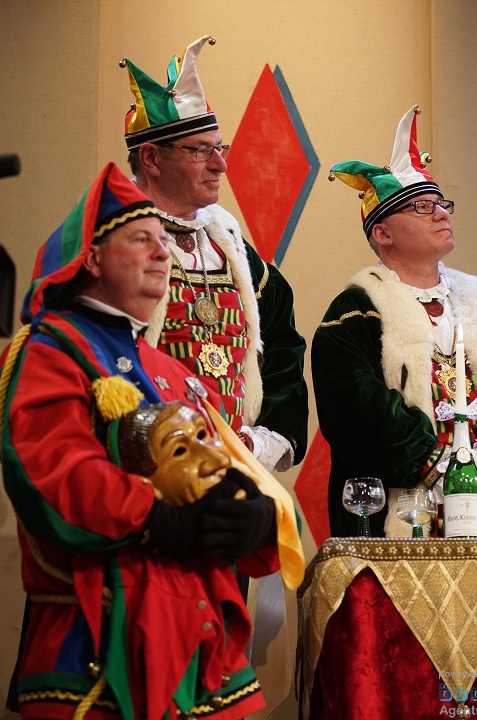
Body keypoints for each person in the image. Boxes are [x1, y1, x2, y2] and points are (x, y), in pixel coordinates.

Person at [0, 163, 302, 720]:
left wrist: (260, 520)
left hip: (200, 658)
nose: (162, 254)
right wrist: (157, 519)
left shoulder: (174, 374)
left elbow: (233, 473)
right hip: (94, 651)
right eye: (141, 239)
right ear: (92, 257)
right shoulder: (49, 349)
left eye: (164, 242)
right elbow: (54, 472)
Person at [316, 105, 477, 538]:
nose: (442, 214)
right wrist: (439, 466)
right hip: (406, 512)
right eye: (422, 207)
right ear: (384, 233)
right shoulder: (354, 312)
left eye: (441, 203)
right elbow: (355, 409)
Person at [120, 36, 308, 474]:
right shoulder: (111, 246)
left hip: (232, 475)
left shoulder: (236, 253)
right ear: (151, 157)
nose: (221, 165)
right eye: (201, 150)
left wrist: (257, 442)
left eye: (218, 148)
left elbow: (283, 348)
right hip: (147, 473)